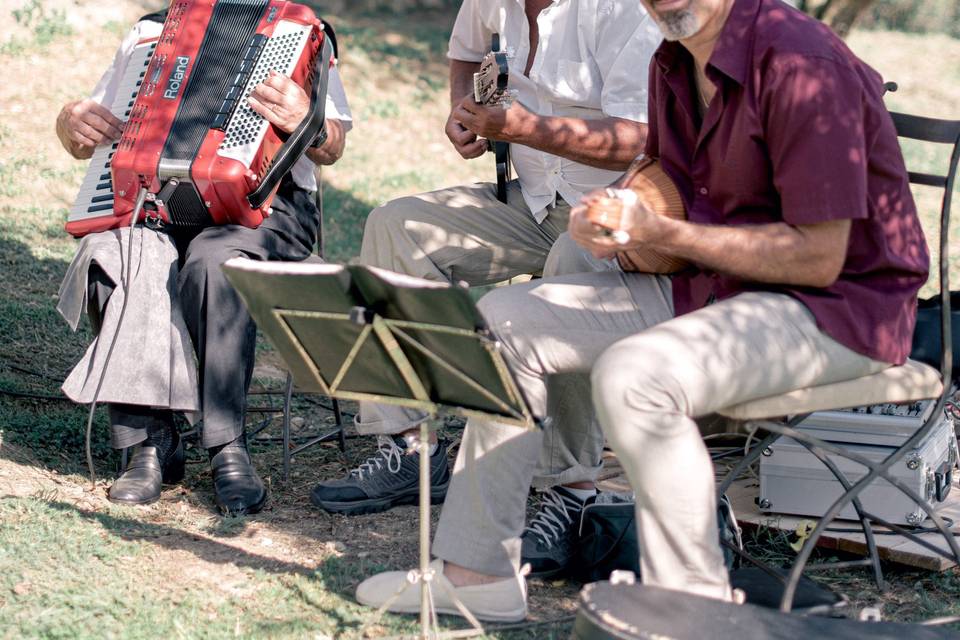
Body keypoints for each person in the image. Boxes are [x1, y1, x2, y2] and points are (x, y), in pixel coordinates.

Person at [353, 0, 928, 621]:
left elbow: (819, 258)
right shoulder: (673, 59)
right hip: (718, 288)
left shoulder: (799, 61)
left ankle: (698, 613)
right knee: (503, 321)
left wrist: (667, 235)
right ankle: (476, 575)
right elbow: (677, 195)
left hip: (837, 312)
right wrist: (619, 228)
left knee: (638, 372)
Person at [310, 0, 661, 577]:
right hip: (533, 197)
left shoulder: (623, 10)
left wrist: (528, 130)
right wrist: (461, 109)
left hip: (611, 211)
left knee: (573, 263)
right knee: (396, 225)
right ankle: (411, 448)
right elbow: (466, 52)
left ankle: (568, 492)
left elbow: (643, 137)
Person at [55, 9, 353, 514]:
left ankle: (226, 446)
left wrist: (310, 121)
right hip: (159, 204)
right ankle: (149, 444)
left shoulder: (298, 29)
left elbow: (334, 144)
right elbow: (89, 132)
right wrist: (70, 123)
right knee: (120, 253)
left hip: (266, 207)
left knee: (216, 260)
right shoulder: (152, 32)